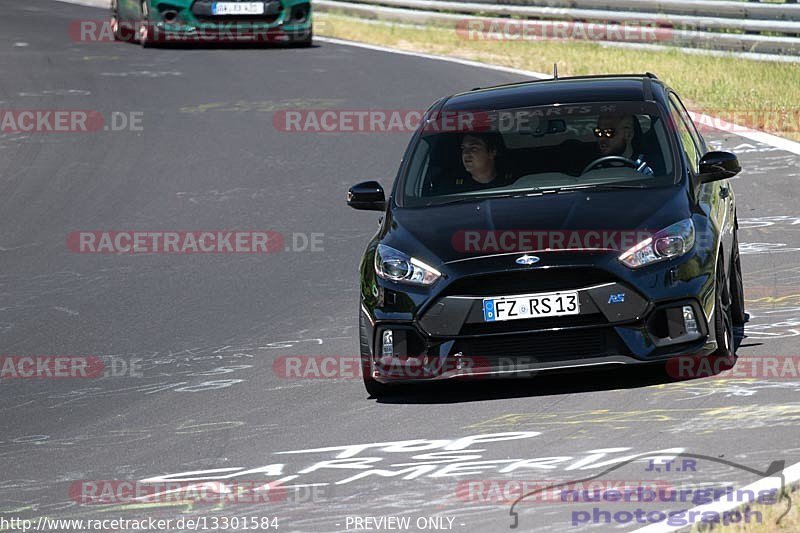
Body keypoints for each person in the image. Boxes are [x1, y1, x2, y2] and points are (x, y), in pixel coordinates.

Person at [430, 132, 513, 195]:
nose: (466, 153)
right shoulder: (451, 189)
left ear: (492, 152)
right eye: (463, 148)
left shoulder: (512, 183)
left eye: (473, 148)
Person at [590, 114, 654, 175]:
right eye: (598, 132)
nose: (601, 138)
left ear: (628, 135)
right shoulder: (593, 168)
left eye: (609, 133)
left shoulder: (645, 167)